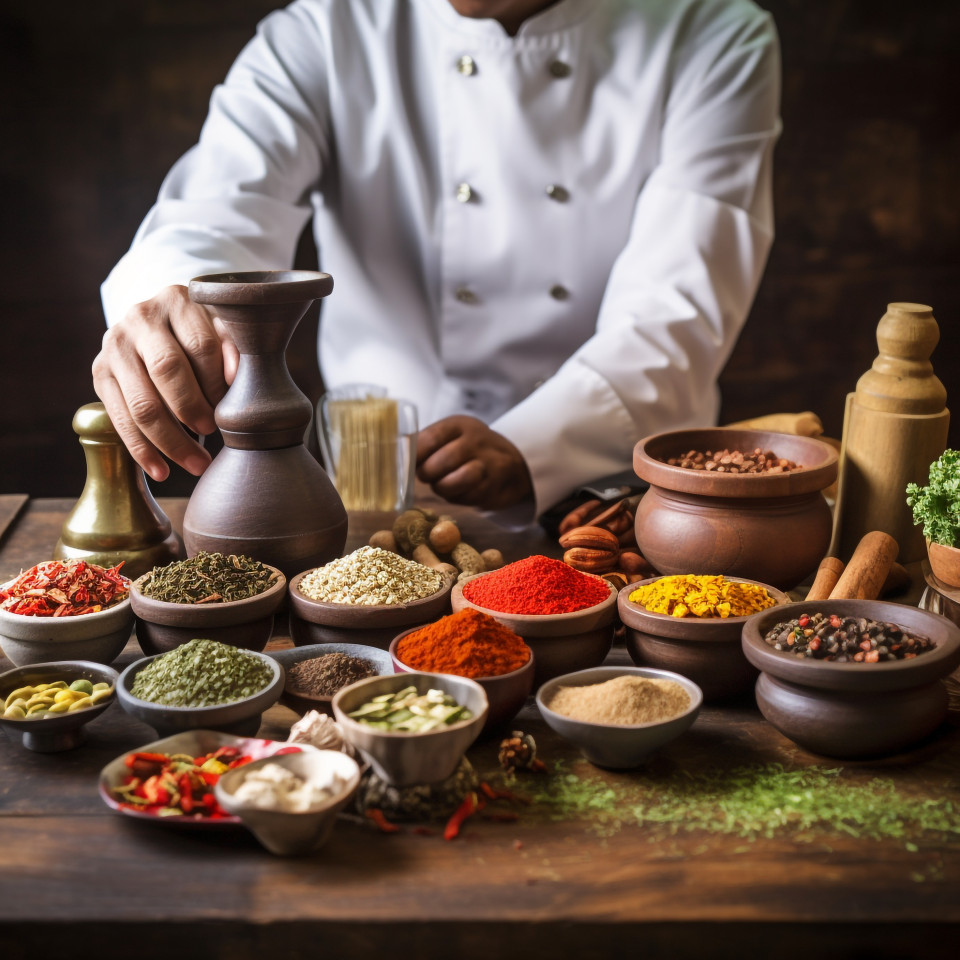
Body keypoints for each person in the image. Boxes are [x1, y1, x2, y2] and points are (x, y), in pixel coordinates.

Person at [95, 0, 780, 521]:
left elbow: (681, 300)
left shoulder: (712, 31)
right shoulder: (325, 31)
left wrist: (537, 442)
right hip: (375, 495)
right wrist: (168, 299)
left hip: (621, 492)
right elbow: (214, 209)